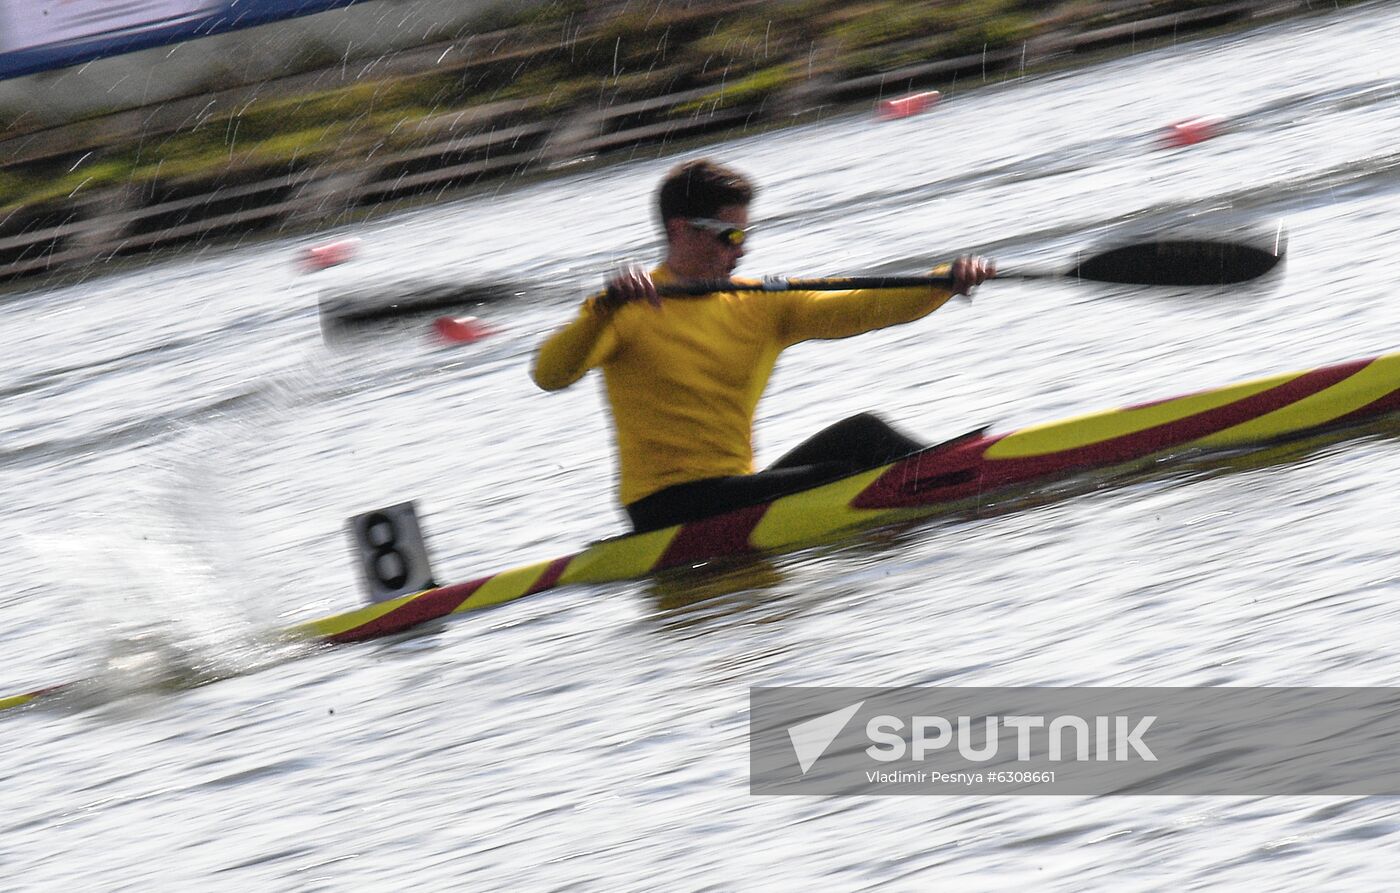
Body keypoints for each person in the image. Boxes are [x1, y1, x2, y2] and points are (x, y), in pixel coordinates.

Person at [532, 158, 993, 532]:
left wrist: (944, 282)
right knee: (839, 479)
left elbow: (862, 307)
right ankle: (964, 498)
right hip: (664, 508)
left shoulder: (758, 303)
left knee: (864, 434)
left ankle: (973, 486)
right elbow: (549, 375)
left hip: (735, 489)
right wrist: (603, 311)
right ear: (680, 231)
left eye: (745, 236)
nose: (742, 250)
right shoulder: (624, 308)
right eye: (729, 236)